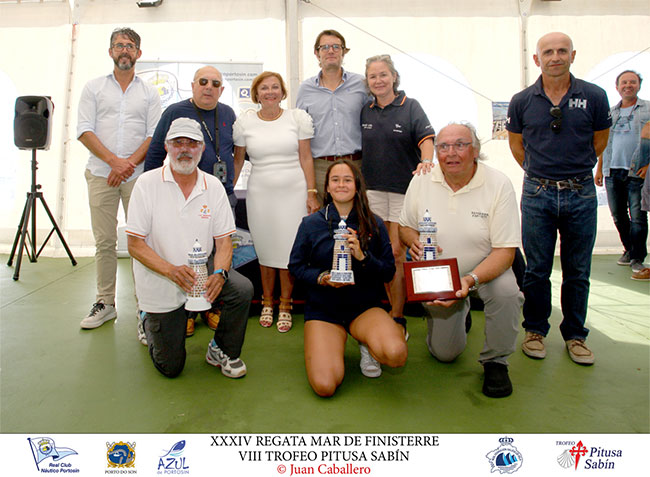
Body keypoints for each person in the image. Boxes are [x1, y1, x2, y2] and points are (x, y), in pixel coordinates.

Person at [506, 32, 611, 365]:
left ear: (573, 55)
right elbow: (516, 147)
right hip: (537, 193)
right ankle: (535, 330)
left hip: (580, 193)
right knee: (536, 269)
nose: (555, 57)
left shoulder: (594, 96)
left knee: (578, 270)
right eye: (547, 52)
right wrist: (544, 174)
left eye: (561, 51)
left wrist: (571, 172)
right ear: (537, 59)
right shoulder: (521, 101)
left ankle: (576, 336)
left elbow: (600, 141)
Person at [399, 123, 523, 398]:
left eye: (460, 145)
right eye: (443, 146)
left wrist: (469, 281)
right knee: (445, 354)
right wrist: (413, 241)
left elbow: (505, 252)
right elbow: (405, 227)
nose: (450, 153)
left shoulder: (498, 183)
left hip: (485, 268)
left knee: (506, 292)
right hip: (439, 276)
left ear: (475, 150)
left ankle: (496, 361)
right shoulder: (421, 181)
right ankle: (460, 311)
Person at [126, 118, 253, 379]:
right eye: (178, 143)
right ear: (166, 147)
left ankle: (221, 350)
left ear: (202, 149)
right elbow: (135, 245)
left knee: (241, 290)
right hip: (161, 272)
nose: (185, 149)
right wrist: (171, 271)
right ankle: (146, 316)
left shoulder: (213, 186)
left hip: (201, 267)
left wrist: (219, 273)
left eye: (192, 143)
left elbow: (224, 242)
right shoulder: (146, 184)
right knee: (171, 367)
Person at [289, 160, 407, 396]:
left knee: (395, 354)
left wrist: (363, 257)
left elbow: (388, 272)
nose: (341, 184)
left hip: (364, 308)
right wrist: (323, 277)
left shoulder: (375, 223)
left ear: (357, 186)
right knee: (325, 386)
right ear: (328, 187)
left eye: (347, 180)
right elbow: (295, 267)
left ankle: (368, 344)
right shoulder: (310, 224)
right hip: (324, 310)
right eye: (335, 180)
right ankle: (332, 344)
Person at [77, 27, 161, 330]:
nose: (124, 50)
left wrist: (127, 166)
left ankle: (145, 310)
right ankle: (106, 302)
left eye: (130, 46)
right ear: (110, 51)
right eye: (118, 45)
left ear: (138, 53)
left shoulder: (149, 92)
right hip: (101, 174)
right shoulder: (93, 88)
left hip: (137, 177)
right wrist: (114, 162)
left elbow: (154, 135)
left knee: (142, 242)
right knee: (104, 242)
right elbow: (84, 130)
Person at [144, 65, 237, 335]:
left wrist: (229, 181)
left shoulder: (228, 113)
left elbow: (236, 152)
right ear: (193, 85)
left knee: (215, 251)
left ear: (221, 89)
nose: (209, 87)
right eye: (203, 81)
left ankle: (211, 305)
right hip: (182, 195)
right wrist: (152, 191)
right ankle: (185, 310)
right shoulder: (174, 112)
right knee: (184, 249)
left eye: (216, 83)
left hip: (220, 194)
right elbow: (154, 154)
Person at [233, 72, 319, 333]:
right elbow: (238, 161)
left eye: (274, 87)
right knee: (267, 249)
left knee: (288, 250)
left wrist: (312, 192)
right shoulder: (245, 123)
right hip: (260, 195)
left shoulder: (297, 118)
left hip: (294, 192)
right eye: (264, 88)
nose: (269, 92)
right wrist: (223, 190)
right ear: (255, 94)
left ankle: (286, 304)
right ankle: (267, 301)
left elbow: (306, 158)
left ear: (282, 92)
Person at [360, 54, 435, 335]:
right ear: (367, 82)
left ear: (394, 77)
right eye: (372, 76)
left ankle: (398, 316)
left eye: (383, 75)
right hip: (373, 191)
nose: (378, 80)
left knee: (396, 253)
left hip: (405, 192)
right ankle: (382, 309)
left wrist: (426, 161)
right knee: (377, 252)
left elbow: (427, 139)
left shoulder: (410, 106)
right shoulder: (365, 110)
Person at [296, 29, 369, 202]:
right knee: (323, 219)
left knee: (357, 220)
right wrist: (311, 190)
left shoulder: (361, 84)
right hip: (320, 167)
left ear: (343, 52)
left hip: (356, 165)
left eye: (336, 47)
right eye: (325, 47)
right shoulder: (305, 89)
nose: (331, 51)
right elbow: (301, 135)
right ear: (316, 53)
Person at [595, 70, 649, 274]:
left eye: (632, 82)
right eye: (624, 82)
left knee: (638, 216)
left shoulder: (648, 109)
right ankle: (629, 249)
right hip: (612, 171)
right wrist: (600, 169)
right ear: (617, 87)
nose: (628, 85)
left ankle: (637, 257)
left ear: (639, 85)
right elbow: (603, 142)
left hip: (637, 171)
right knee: (618, 215)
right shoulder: (611, 112)